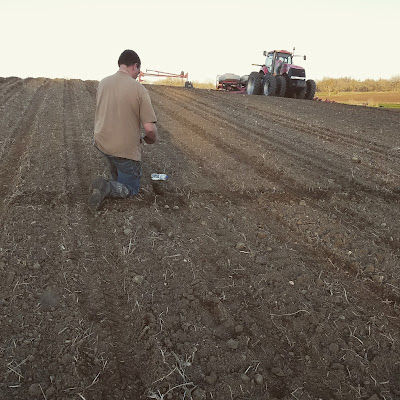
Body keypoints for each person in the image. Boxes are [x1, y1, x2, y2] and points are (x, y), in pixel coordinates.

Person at [89, 49, 158, 211]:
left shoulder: (103, 83)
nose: (137, 75)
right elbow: (149, 129)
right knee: (132, 188)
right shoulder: (138, 89)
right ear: (134, 66)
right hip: (124, 150)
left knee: (116, 161)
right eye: (138, 71)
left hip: (102, 143)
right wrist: (150, 140)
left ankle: (114, 178)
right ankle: (109, 188)